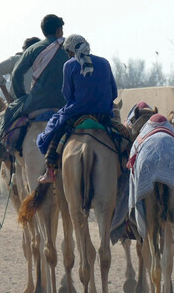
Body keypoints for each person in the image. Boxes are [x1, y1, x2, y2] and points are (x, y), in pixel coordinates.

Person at [35, 34, 118, 183]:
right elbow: (114, 92)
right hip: (103, 114)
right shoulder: (104, 62)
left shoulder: (69, 65)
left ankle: (50, 169)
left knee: (55, 129)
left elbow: (67, 94)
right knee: (123, 136)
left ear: (71, 51)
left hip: (76, 113)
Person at [0, 14, 70, 161]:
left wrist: (21, 97)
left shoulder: (33, 50)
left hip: (36, 103)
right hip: (65, 104)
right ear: (59, 31)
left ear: (44, 31)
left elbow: (17, 73)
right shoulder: (69, 48)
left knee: (10, 112)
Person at [0, 36, 41, 101]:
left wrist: (7, 95)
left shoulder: (16, 60)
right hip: (38, 103)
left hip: (17, 102)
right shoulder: (43, 62)